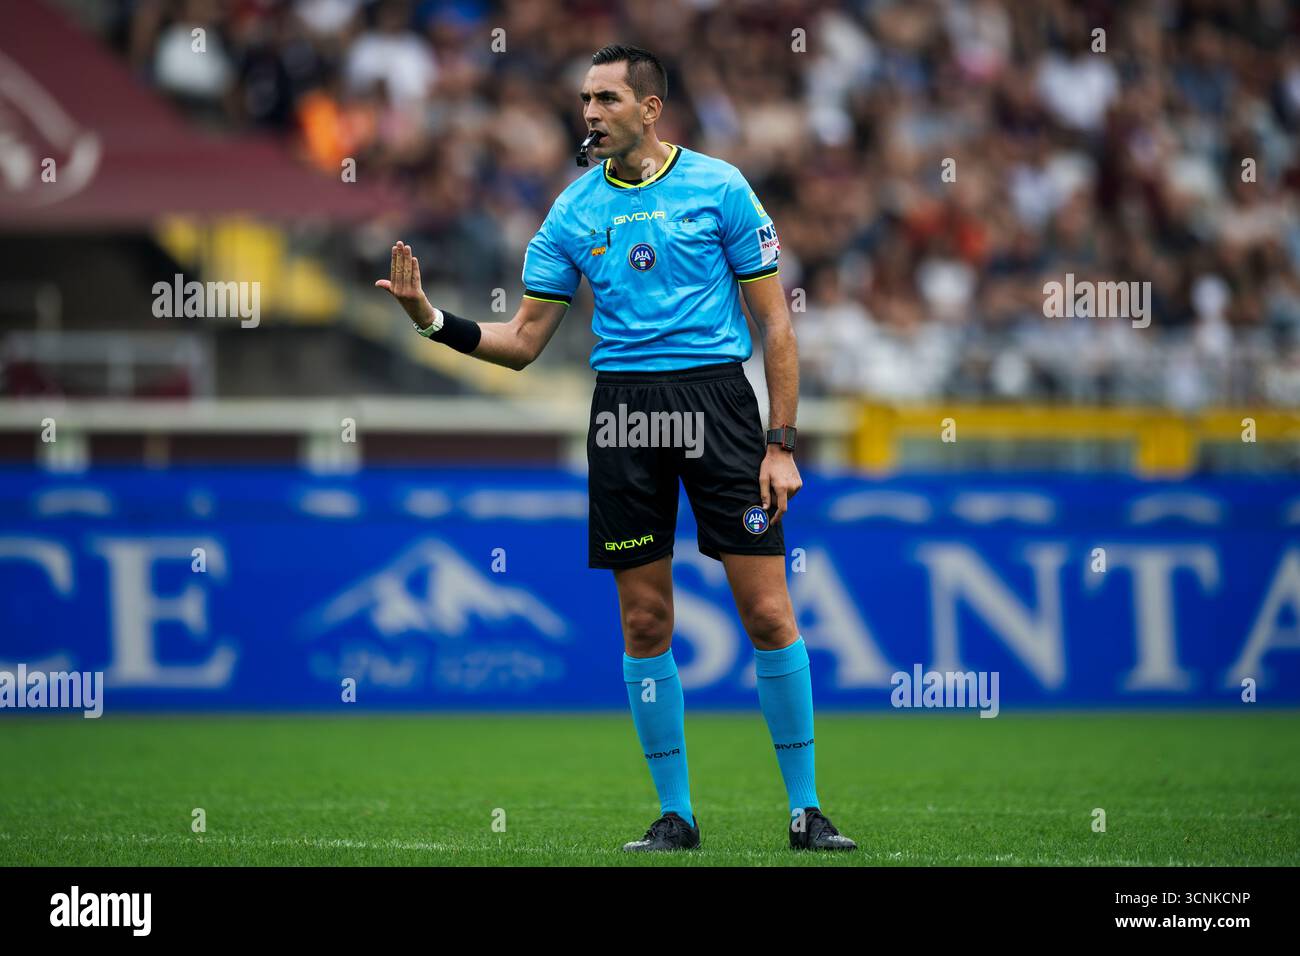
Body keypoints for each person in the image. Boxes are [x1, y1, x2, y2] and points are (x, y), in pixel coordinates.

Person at [376, 44, 855, 853]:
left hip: (718, 407)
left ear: (650, 108)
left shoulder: (721, 187)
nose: (589, 112)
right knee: (645, 617)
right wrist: (431, 318)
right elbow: (524, 341)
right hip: (626, 414)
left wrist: (781, 444)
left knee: (769, 613)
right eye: (584, 99)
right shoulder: (571, 212)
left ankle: (806, 809)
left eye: (605, 98)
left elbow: (776, 324)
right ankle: (677, 815)